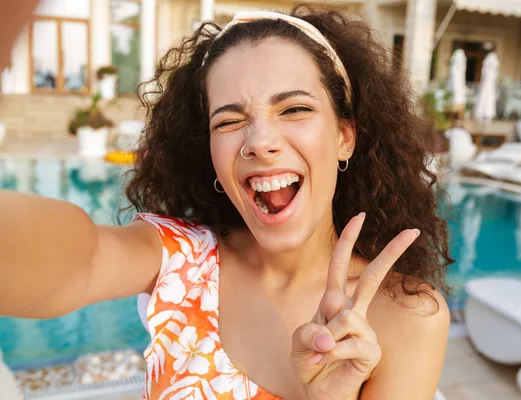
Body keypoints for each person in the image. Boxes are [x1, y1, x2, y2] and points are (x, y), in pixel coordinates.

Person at [0, 4, 452, 399]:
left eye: (294, 109)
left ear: (345, 137)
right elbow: (80, 258)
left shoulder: (407, 318)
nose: (259, 141)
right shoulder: (179, 260)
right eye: (229, 120)